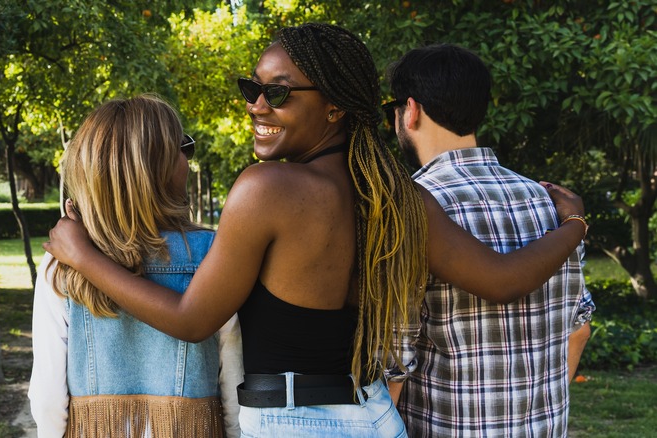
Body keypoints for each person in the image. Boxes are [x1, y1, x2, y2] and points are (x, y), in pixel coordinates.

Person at [43, 23, 587, 437]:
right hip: (373, 415)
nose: (257, 105)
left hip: (295, 420)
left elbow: (192, 320)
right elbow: (503, 279)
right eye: (251, 88)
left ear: (332, 108)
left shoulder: (267, 190)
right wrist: (573, 224)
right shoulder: (397, 196)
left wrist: (82, 254)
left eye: (277, 93)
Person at [384, 43, 596, 437]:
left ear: (409, 110)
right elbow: (578, 328)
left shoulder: (411, 209)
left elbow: (395, 361)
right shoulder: (553, 204)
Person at [28, 94, 243, 438]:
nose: (189, 160)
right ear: (154, 169)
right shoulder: (211, 254)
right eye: (183, 148)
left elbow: (48, 397)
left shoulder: (63, 261)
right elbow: (233, 381)